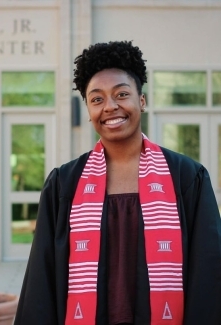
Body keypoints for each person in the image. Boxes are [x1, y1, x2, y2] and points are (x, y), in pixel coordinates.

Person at [14, 41, 221, 324]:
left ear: (142, 101)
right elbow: (42, 276)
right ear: (88, 111)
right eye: (97, 99)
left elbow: (208, 275)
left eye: (122, 94)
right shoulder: (65, 184)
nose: (110, 107)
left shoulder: (186, 177)